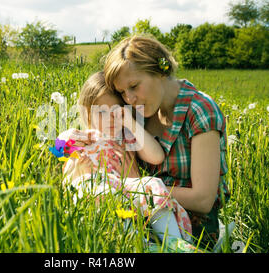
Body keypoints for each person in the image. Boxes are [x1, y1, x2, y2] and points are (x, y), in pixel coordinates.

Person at [103, 35, 230, 249]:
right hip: (146, 212)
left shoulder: (199, 110)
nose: (129, 98)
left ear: (161, 71)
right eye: (122, 92)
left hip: (195, 225)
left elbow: (202, 199)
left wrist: (135, 192)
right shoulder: (139, 113)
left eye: (134, 85)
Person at [58, 71, 194, 246]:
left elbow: (157, 156)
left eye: (116, 111)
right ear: (88, 114)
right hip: (95, 194)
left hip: (125, 188)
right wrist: (64, 139)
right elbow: (60, 161)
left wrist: (130, 122)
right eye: (101, 112)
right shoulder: (84, 139)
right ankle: (138, 244)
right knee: (96, 188)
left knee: (153, 184)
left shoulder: (127, 138)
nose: (110, 118)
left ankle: (176, 243)